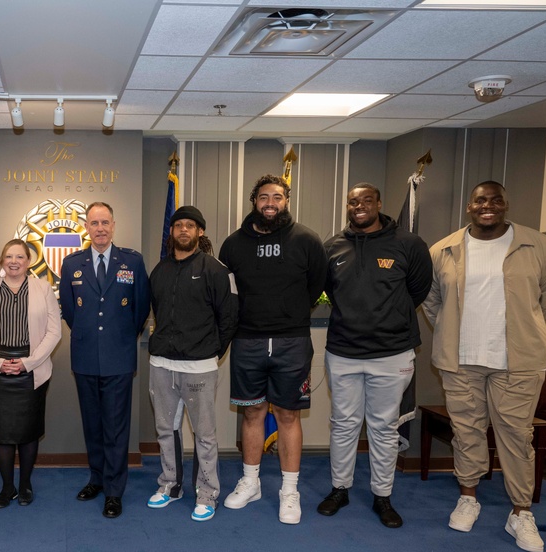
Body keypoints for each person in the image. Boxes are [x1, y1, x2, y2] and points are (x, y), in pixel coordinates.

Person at [423, 181, 546, 552]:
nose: (488, 206)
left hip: (516, 362)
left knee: (517, 437)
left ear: (505, 204)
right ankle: (468, 497)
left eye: (495, 200)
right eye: (481, 200)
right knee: (466, 431)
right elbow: (433, 302)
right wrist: (454, 332)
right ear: (469, 206)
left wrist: (524, 331)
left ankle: (521, 512)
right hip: (460, 360)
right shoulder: (444, 249)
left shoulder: (539, 246)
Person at [317, 183, 432, 528]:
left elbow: (418, 288)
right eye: (353, 201)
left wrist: (387, 317)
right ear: (347, 206)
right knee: (343, 424)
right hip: (344, 352)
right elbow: (327, 290)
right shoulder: (332, 247)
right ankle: (340, 488)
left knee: (383, 427)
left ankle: (383, 495)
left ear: (379, 203)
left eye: (367, 200)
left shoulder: (407, 244)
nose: (360, 206)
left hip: (392, 353)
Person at [218, 174, 327, 524]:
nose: (270, 203)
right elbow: (228, 293)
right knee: (251, 413)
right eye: (264, 196)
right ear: (254, 200)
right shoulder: (233, 244)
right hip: (247, 340)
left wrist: (287, 313)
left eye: (277, 197)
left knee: (288, 415)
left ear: (286, 200)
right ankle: (250, 483)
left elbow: (315, 287)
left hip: (291, 341)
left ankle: (289, 491)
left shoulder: (307, 240)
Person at [58, 202, 150, 519]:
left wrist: (121, 336)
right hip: (85, 357)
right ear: (86, 226)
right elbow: (70, 311)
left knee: (116, 427)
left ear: (113, 225)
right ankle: (97, 479)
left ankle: (114, 490)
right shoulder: (72, 264)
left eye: (105, 222)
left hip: (119, 356)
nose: (100, 228)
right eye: (94, 222)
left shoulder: (132, 262)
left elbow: (140, 309)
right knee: (93, 425)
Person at [146, 206, 238, 522]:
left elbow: (229, 318)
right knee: (166, 430)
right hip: (161, 364)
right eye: (178, 225)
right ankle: (170, 485)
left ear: (200, 232)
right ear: (172, 232)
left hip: (199, 367)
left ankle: (207, 493)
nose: (184, 230)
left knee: (204, 434)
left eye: (190, 225)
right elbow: (157, 311)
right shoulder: (160, 270)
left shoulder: (216, 270)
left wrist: (211, 351)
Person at [0, 239, 62, 507]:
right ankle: (7, 487)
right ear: (1, 260)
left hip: (31, 371)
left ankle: (25, 485)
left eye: (19, 257)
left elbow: (54, 332)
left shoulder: (43, 289)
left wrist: (28, 362)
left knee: (28, 432)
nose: (14, 261)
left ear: (28, 261)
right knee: (2, 432)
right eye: (8, 256)